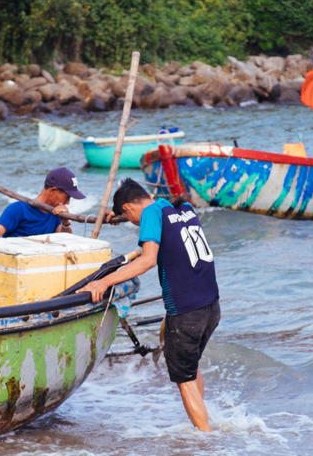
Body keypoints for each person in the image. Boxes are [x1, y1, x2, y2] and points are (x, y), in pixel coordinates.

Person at [82, 179, 219, 432]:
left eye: (128, 216)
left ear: (129, 208)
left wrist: (104, 282)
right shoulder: (182, 207)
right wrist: (118, 213)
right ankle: (204, 424)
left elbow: (147, 260)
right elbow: (155, 215)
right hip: (211, 306)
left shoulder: (150, 214)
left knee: (184, 379)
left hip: (186, 311)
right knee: (191, 366)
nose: (133, 222)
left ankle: (207, 442)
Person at [0, 168, 86, 238]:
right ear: (53, 191)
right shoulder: (18, 210)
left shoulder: (56, 214)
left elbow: (65, 240)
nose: (67, 203)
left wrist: (65, 222)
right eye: (67, 197)